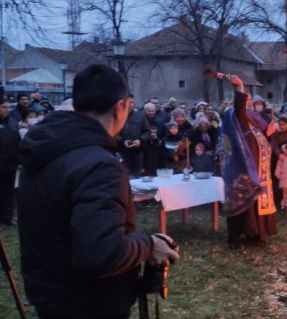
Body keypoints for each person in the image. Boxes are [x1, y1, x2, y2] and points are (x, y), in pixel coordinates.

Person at [17, 64, 179, 318]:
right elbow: (102, 254)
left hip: (51, 296)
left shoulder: (46, 149)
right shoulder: (98, 165)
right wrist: (148, 244)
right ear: (121, 107)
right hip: (89, 304)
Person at [218, 74, 277, 249]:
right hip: (244, 170)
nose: (249, 100)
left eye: (250, 98)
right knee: (245, 201)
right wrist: (240, 86)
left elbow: (259, 136)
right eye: (247, 98)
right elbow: (239, 108)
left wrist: (269, 132)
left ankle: (258, 233)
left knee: (259, 200)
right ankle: (240, 234)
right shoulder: (237, 117)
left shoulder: (252, 118)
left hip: (260, 168)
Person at [0, 97, 19, 226]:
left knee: (8, 192)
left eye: (8, 107)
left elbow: (18, 142)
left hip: (10, 164)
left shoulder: (13, 122)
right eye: (4, 107)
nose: (8, 109)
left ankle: (7, 217)